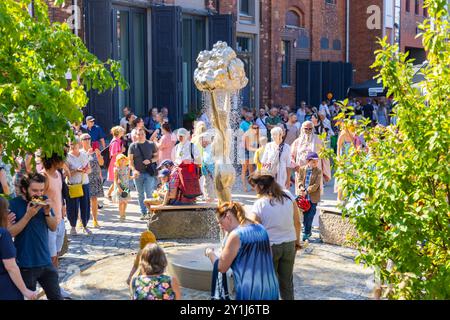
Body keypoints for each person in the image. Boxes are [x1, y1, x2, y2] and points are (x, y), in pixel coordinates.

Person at [205, 202, 280, 300]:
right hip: (271, 288)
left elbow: (221, 267)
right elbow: (269, 255)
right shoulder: (261, 228)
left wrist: (210, 253)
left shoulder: (236, 235)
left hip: (250, 292)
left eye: (220, 222)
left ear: (228, 217)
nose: (220, 226)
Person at [7, 173, 63, 300]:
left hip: (46, 261)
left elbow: (53, 227)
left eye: (42, 190)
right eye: (34, 190)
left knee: (57, 297)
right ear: (24, 189)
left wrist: (48, 213)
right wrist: (28, 216)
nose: (39, 194)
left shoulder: (44, 200)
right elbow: (10, 233)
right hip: (26, 264)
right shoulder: (13, 205)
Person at [248, 172, 301, 300]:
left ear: (261, 186)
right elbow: (297, 222)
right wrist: (297, 242)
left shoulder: (260, 204)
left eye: (254, 186)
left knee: (269, 285)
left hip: (269, 248)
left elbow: (252, 228)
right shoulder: (288, 195)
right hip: (289, 245)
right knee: (287, 283)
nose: (253, 189)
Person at [0, 197, 38, 300]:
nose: (9, 212)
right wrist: (25, 290)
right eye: (6, 209)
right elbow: (11, 266)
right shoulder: (3, 234)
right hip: (5, 289)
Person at [41, 153, 67, 268]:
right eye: (62, 158)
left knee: (56, 255)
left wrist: (63, 206)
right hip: (48, 223)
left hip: (60, 220)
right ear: (54, 159)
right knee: (50, 258)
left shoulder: (58, 173)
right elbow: (36, 198)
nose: (64, 161)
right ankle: (50, 285)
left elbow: (58, 193)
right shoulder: (44, 176)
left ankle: (54, 284)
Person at [291, 121, 332, 192]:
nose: (308, 130)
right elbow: (291, 156)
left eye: (310, 129)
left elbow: (325, 157)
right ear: (302, 129)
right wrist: (295, 166)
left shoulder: (319, 140)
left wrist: (326, 173)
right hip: (301, 171)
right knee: (302, 195)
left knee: (314, 194)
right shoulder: (297, 142)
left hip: (315, 171)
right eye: (306, 128)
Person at [128, 128, 159, 219]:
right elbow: (130, 161)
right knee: (140, 194)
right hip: (138, 174)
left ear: (145, 134)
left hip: (149, 173)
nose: (140, 136)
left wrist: (150, 160)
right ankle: (143, 212)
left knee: (149, 193)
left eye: (142, 134)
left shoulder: (151, 144)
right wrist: (134, 170)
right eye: (138, 134)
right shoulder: (133, 146)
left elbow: (157, 157)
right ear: (136, 136)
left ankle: (150, 212)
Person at [66, 138, 92, 235]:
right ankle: (73, 227)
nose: (73, 146)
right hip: (73, 184)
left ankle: (85, 225)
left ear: (79, 144)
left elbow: (89, 169)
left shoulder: (84, 155)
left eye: (75, 144)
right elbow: (66, 174)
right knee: (72, 206)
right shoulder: (67, 157)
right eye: (71, 144)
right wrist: (76, 170)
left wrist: (85, 170)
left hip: (84, 183)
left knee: (85, 205)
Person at [80, 134, 104, 228]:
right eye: (85, 139)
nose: (87, 140)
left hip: (95, 177)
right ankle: (81, 220)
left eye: (89, 138)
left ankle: (95, 220)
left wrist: (98, 154)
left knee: (94, 199)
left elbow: (101, 163)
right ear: (81, 141)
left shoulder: (95, 151)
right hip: (83, 178)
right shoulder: (80, 152)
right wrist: (87, 154)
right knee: (83, 200)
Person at [298, 152, 322, 241]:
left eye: (317, 161)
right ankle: (307, 230)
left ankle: (306, 232)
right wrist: (301, 188)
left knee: (311, 214)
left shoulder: (318, 171)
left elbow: (316, 185)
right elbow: (300, 180)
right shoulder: (302, 169)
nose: (316, 163)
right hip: (304, 197)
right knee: (305, 214)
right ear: (308, 161)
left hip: (313, 197)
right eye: (314, 162)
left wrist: (307, 190)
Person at [113, 154, 137, 221]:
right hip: (119, 187)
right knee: (121, 202)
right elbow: (115, 180)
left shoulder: (128, 168)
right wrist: (119, 188)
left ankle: (124, 213)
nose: (122, 160)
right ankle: (121, 215)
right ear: (118, 160)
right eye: (121, 159)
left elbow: (128, 177)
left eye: (123, 158)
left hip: (126, 187)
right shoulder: (116, 169)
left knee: (125, 202)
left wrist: (134, 177)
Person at [107, 126, 126, 200]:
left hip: (117, 162)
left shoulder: (117, 140)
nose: (123, 132)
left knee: (117, 180)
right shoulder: (115, 142)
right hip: (115, 163)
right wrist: (122, 151)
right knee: (117, 180)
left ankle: (111, 194)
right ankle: (121, 194)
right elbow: (113, 154)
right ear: (118, 132)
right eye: (122, 131)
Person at [241, 123, 260, 192]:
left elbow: (258, 145)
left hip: (252, 151)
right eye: (254, 128)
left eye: (257, 128)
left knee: (251, 169)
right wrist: (258, 150)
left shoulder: (257, 135)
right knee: (244, 169)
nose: (256, 129)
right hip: (244, 151)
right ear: (251, 128)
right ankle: (244, 186)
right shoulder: (247, 135)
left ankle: (253, 186)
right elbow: (248, 147)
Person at [199, 132, 216, 202]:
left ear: (205, 141)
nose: (200, 143)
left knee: (208, 185)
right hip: (208, 171)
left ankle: (209, 199)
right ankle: (209, 198)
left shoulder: (209, 148)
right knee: (207, 185)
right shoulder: (208, 148)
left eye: (201, 141)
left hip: (209, 171)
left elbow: (208, 160)